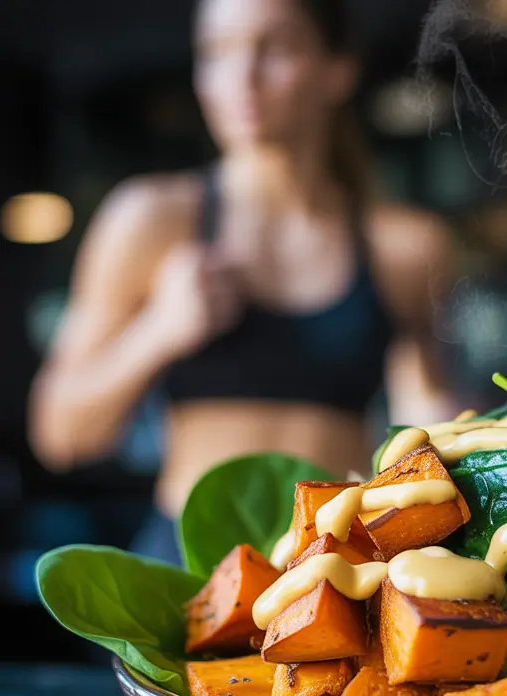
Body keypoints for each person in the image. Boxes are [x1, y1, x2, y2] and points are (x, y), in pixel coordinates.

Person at [28, 0, 457, 563]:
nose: (241, 78)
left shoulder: (405, 246)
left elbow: (427, 408)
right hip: (190, 567)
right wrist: (161, 329)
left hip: (337, 566)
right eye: (216, 53)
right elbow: (59, 434)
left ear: (337, 69)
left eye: (274, 48)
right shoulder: (152, 219)